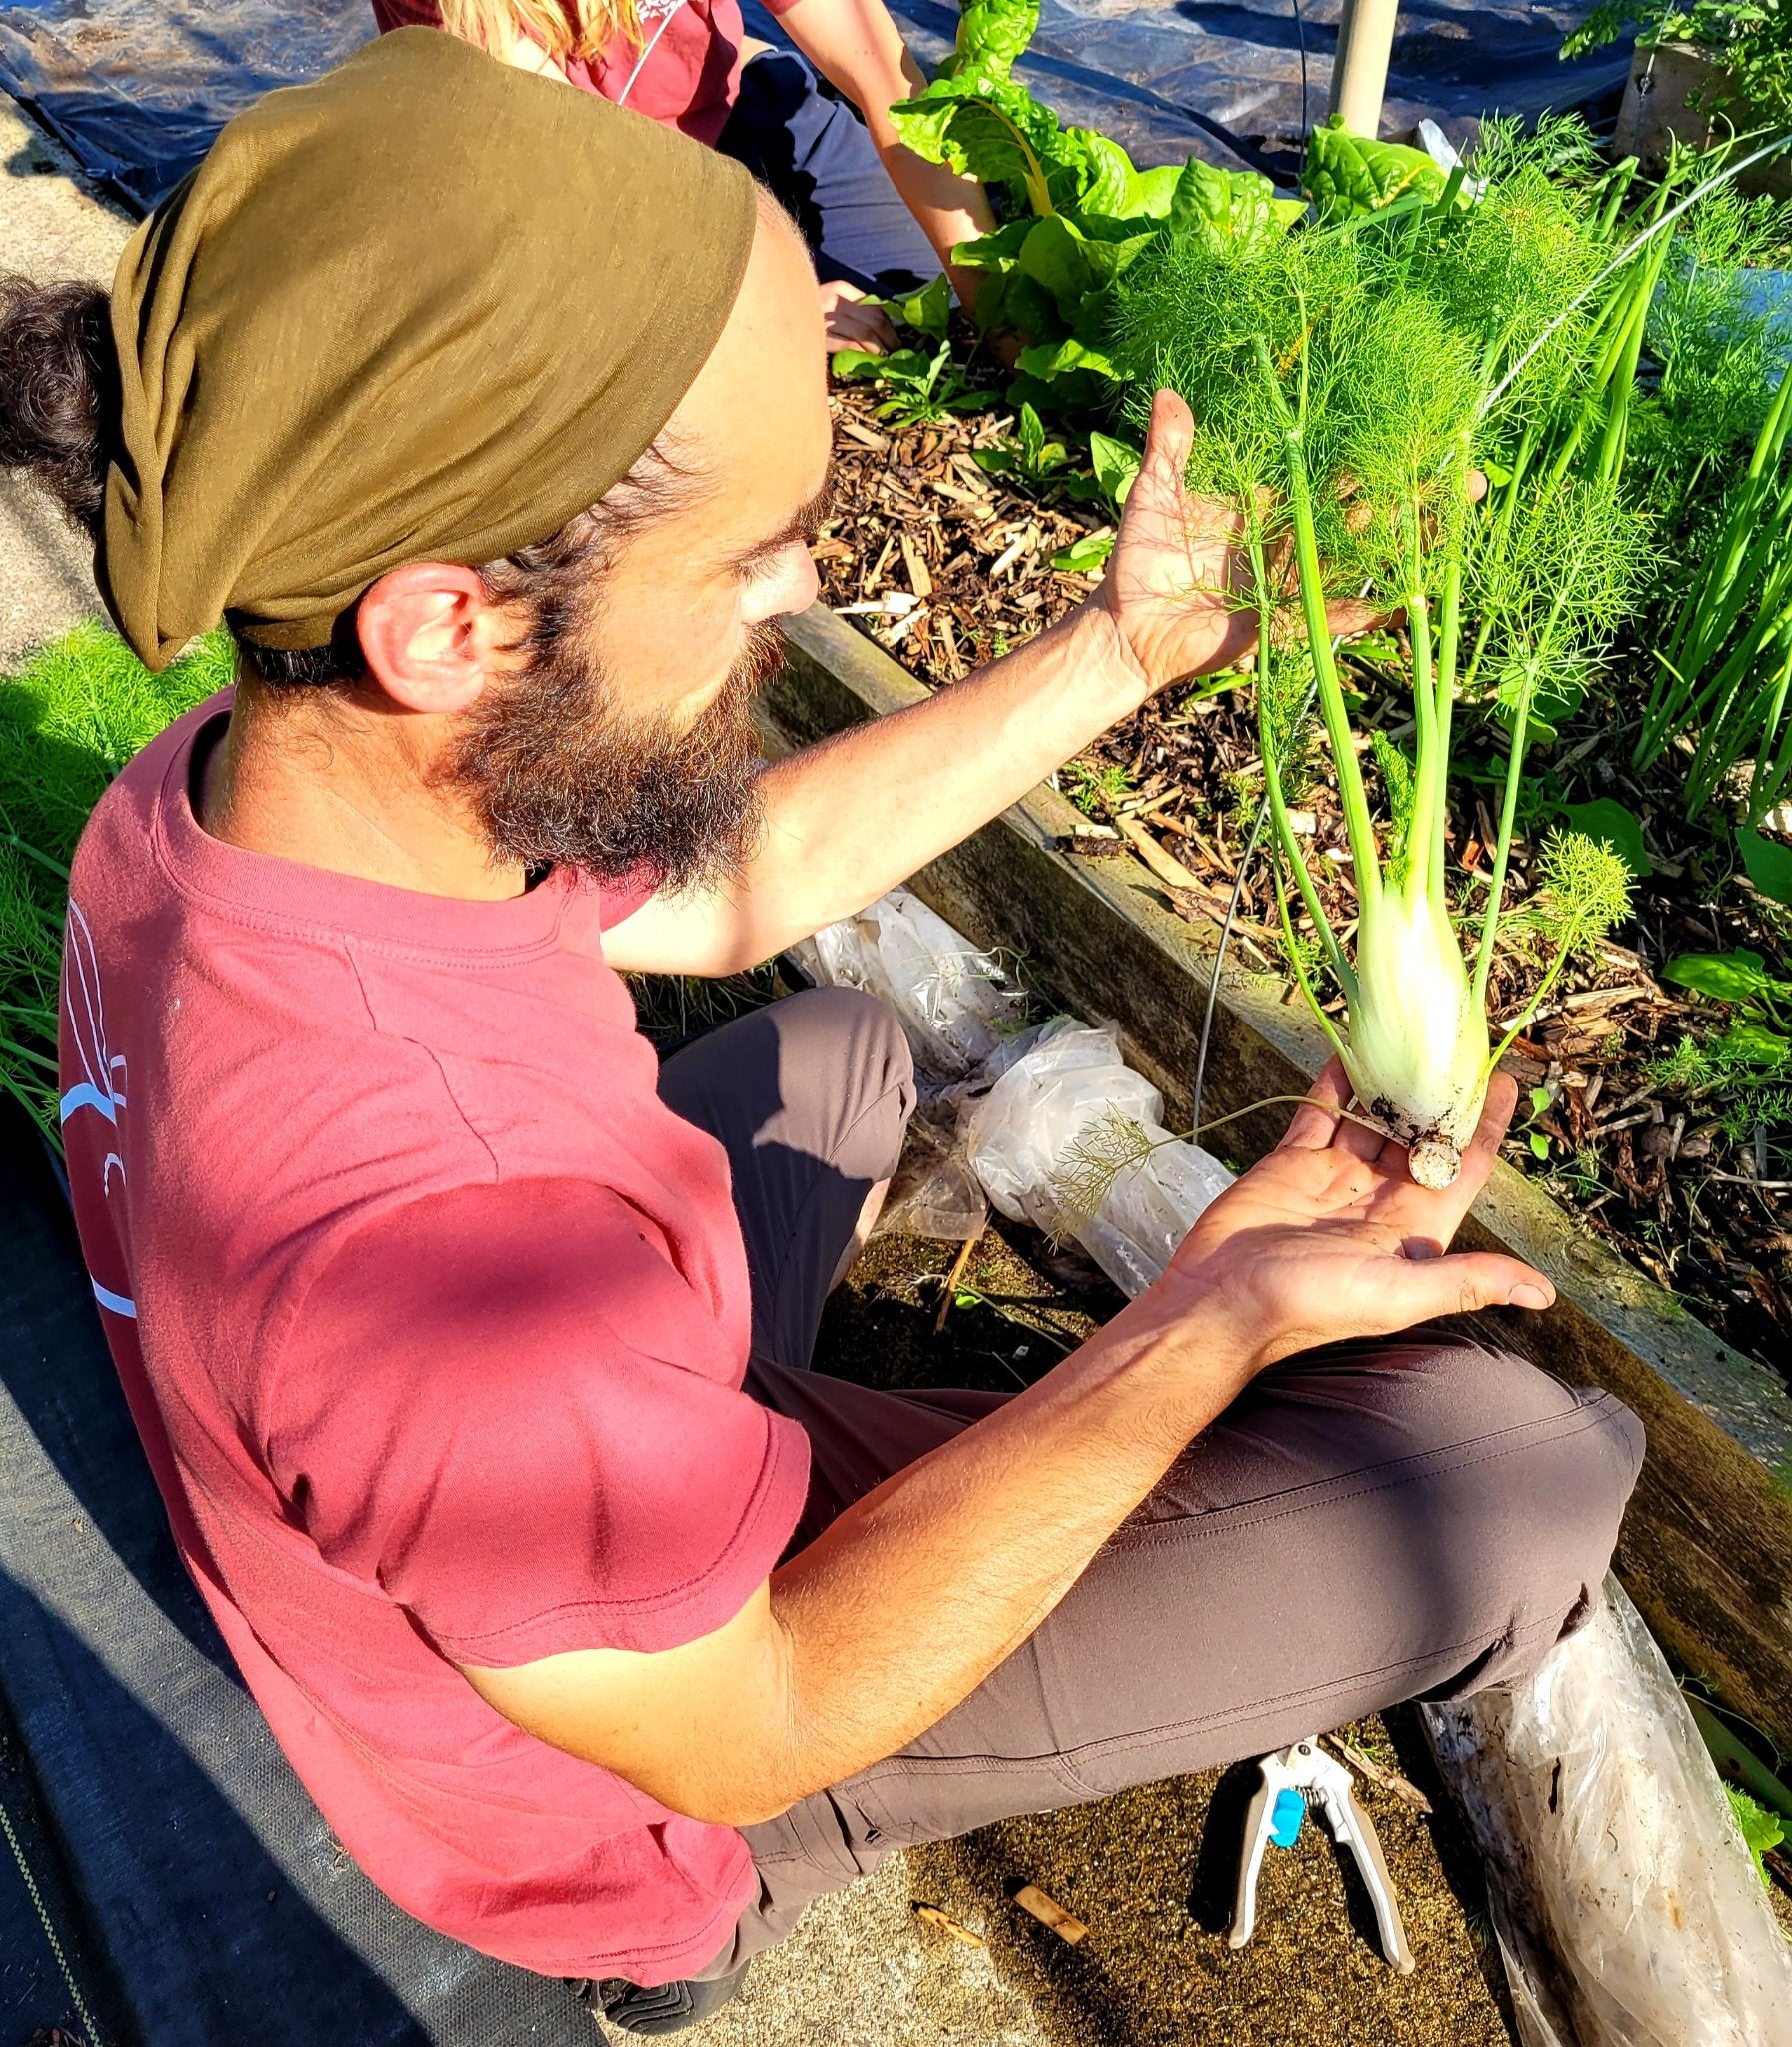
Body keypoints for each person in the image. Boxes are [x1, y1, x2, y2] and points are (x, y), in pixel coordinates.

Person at [0, 31, 1642, 2040]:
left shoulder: (222, 795)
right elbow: (754, 1709)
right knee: (1518, 1470)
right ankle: (684, 1936)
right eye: (745, 550)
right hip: (656, 1768)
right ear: (445, 625)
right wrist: (1200, 1318)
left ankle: (696, 1471)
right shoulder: (430, 1255)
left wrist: (1116, 649)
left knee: (834, 1056)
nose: (805, 581)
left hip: (522, 1494)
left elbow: (736, 884)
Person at [372, 0, 997, 348]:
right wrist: (767, 311)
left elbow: (886, 80)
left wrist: (1000, 308)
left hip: (740, 114)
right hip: (583, 206)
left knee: (922, 303)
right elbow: (569, 180)